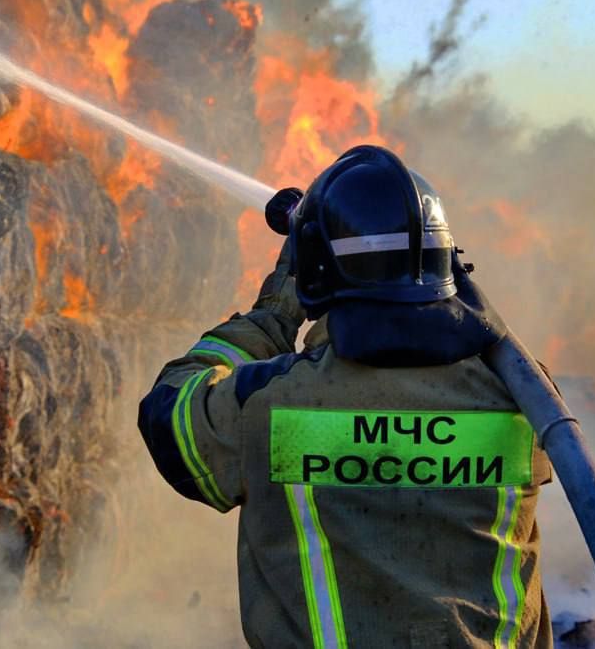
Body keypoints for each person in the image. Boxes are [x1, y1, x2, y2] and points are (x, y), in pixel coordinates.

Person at [138, 145, 553, 648]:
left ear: (316, 273)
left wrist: (275, 313)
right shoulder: (525, 401)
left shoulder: (272, 405)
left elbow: (169, 417)